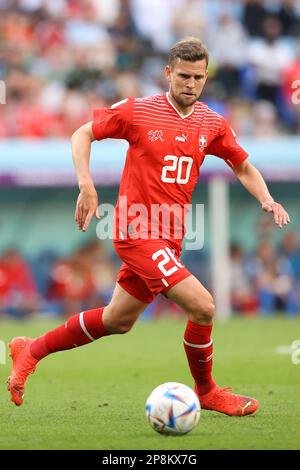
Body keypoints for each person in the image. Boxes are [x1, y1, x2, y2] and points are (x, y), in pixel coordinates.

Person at [8, 38, 290, 416]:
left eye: (199, 77)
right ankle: (206, 391)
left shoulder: (211, 122)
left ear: (206, 77)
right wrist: (86, 184)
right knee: (204, 307)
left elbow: (242, 166)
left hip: (170, 237)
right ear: (168, 74)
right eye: (184, 76)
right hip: (135, 230)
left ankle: (31, 349)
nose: (191, 84)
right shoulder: (139, 112)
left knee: (117, 320)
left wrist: (267, 199)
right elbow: (82, 134)